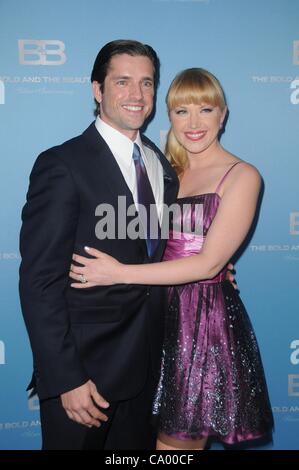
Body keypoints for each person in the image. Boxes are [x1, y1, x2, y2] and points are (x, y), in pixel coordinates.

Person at [69, 68, 274, 451]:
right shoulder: (164, 170)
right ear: (169, 116)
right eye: (181, 112)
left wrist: (116, 273)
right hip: (151, 316)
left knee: (173, 449)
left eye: (205, 110)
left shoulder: (243, 175)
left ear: (223, 114)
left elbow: (208, 265)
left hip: (201, 324)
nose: (193, 123)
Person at [19, 39, 180, 450]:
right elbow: (39, 282)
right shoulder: (62, 164)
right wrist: (66, 377)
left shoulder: (161, 165)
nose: (137, 95)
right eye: (122, 81)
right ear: (97, 89)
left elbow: (159, 254)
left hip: (147, 369)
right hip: (85, 374)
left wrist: (211, 266)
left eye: (146, 83)